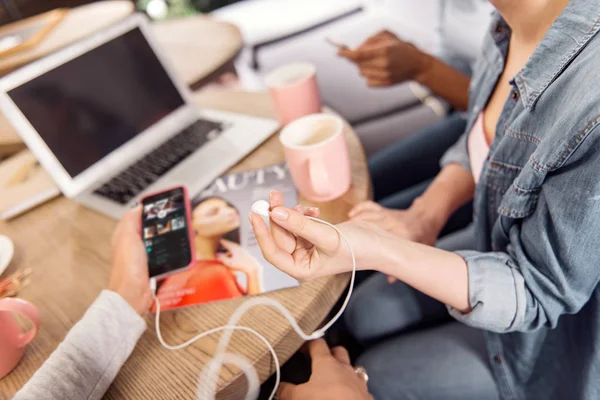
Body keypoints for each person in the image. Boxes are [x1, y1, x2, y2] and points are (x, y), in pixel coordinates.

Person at [249, 0, 600, 399]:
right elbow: (490, 144)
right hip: (499, 246)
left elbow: (537, 291)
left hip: (554, 344)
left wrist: (380, 249)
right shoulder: (506, 22)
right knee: (364, 312)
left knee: (375, 372)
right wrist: (423, 216)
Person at [14, 206, 372, 400]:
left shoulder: (229, 267)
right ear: (193, 225)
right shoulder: (198, 275)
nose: (228, 214)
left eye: (227, 210)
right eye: (212, 211)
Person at [339, 0, 493, 236]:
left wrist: (423, 68)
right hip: (468, 120)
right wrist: (406, 55)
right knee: (351, 188)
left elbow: (518, 110)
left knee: (359, 231)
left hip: (509, 145)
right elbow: (457, 62)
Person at [156, 197, 263, 311]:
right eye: (213, 213)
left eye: (227, 206)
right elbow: (255, 319)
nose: (230, 211)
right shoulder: (213, 273)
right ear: (191, 229)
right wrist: (253, 271)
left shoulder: (183, 272)